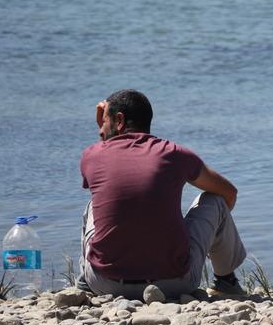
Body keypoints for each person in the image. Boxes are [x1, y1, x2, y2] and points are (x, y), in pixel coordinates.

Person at [77, 89, 248, 299]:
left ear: (119, 120)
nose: (100, 130)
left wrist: (105, 127)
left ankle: (84, 284)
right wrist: (211, 238)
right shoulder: (175, 154)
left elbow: (108, 158)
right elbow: (229, 193)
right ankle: (226, 282)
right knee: (215, 200)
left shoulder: (92, 155)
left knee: (93, 205)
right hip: (176, 283)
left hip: (105, 284)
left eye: (103, 122)